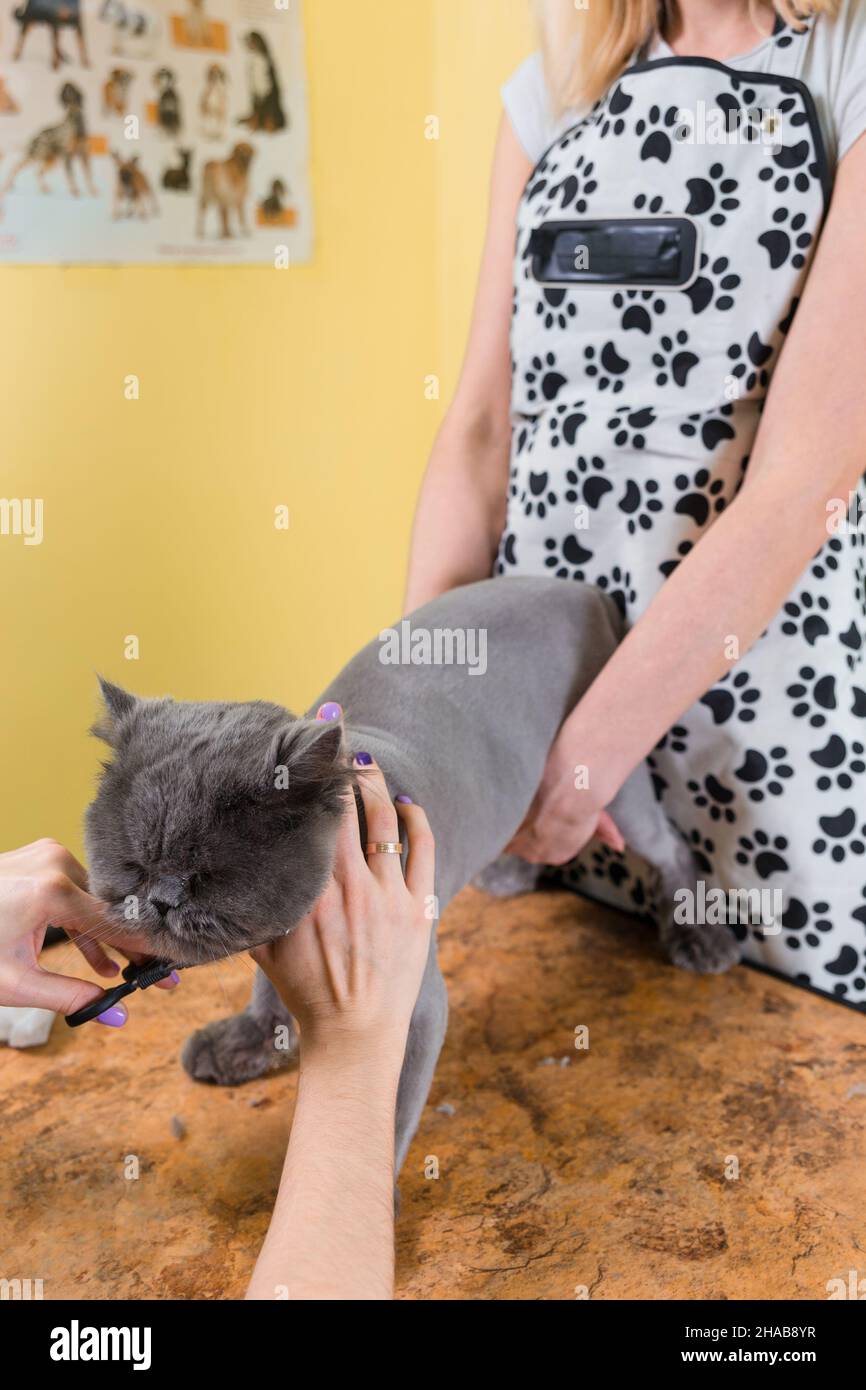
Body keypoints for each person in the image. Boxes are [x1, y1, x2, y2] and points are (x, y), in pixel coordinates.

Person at [404, 0, 866, 1004]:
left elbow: (805, 479)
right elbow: (481, 434)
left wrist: (580, 764)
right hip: (538, 766)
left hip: (762, 759)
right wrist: (427, 717)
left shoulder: (848, 62)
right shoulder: (553, 88)